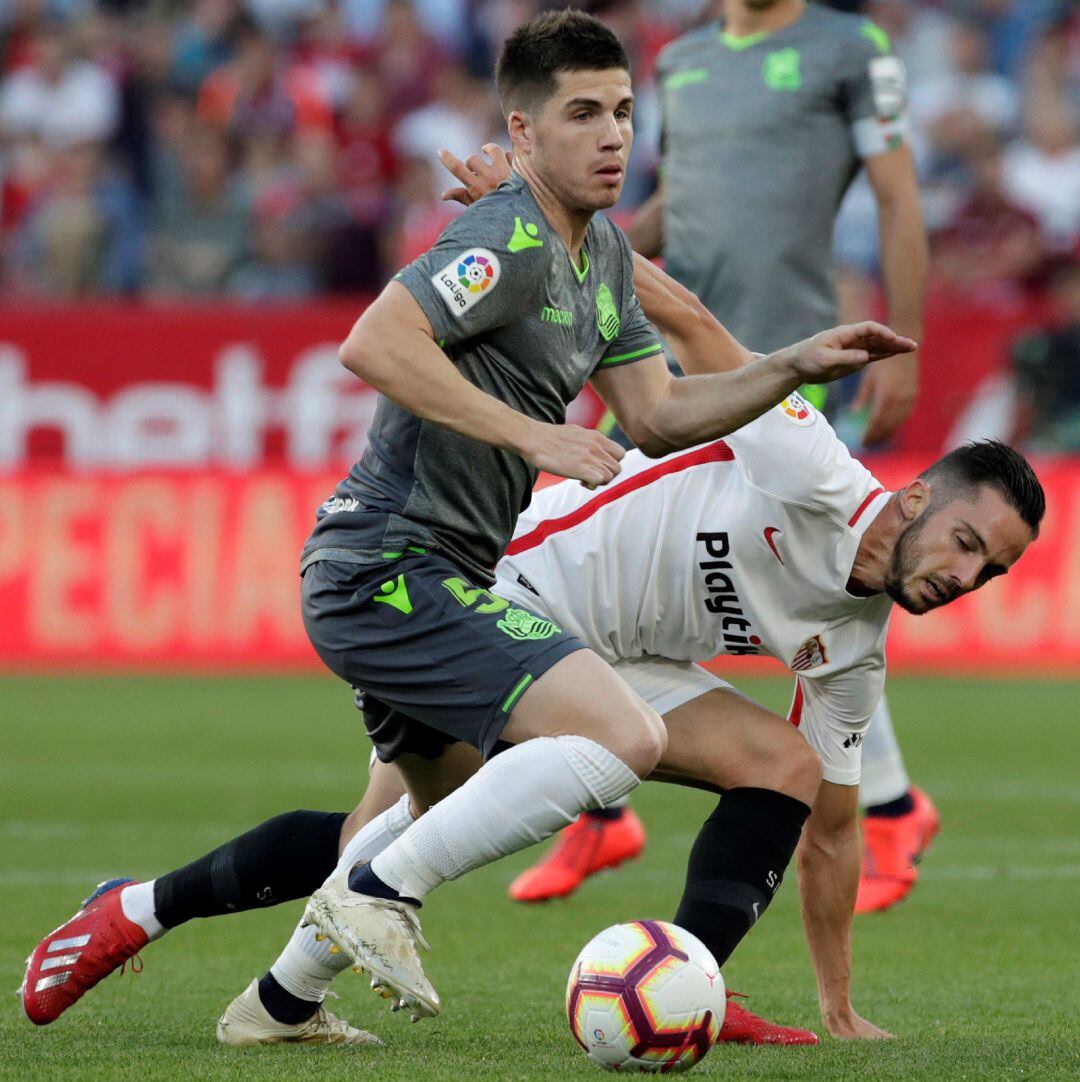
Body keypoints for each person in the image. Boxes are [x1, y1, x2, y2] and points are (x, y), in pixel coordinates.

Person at [19, 8, 912, 1033]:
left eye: (624, 111)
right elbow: (374, 342)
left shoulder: (603, 260)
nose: (614, 134)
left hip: (445, 570)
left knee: (399, 818)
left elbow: (660, 414)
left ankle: (184, 942)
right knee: (616, 734)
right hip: (387, 561)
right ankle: (375, 898)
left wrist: (788, 366)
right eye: (582, 114)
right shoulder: (508, 234)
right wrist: (532, 438)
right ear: (522, 134)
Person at [19, 259, 1041, 1047]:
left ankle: (689, 985)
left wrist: (840, 1005)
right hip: (508, 584)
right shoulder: (810, 463)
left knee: (786, 765)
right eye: (964, 540)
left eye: (988, 571)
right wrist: (560, 241)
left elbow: (833, 829)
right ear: (915, 498)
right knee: (386, 834)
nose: (964, 575)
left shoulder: (853, 648)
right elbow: (683, 318)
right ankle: (156, 914)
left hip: (610, 657)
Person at [511, 0, 935, 911]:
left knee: (836, 576)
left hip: (785, 355)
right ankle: (604, 809)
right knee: (611, 551)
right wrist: (558, 239)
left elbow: (898, 195)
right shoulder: (684, 58)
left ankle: (890, 806)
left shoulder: (846, 47)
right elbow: (673, 207)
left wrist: (908, 339)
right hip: (672, 359)